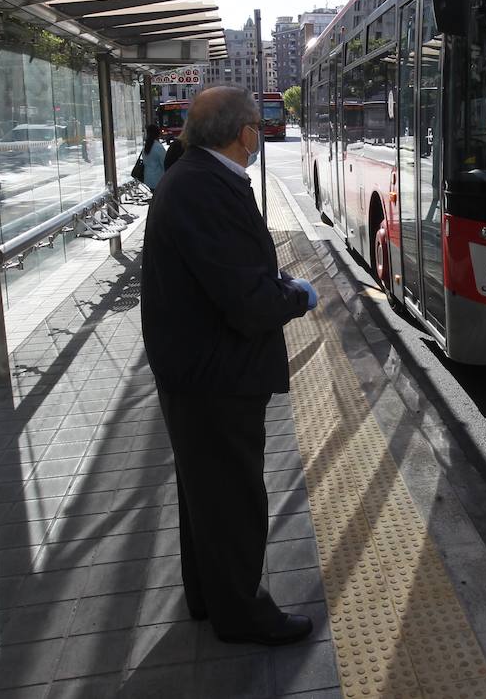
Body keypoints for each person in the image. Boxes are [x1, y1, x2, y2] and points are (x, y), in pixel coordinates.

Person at [140, 86, 318, 646]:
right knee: (235, 498)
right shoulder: (207, 190)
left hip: (194, 368)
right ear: (244, 134)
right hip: (216, 375)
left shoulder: (191, 177)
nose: (260, 137)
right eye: (257, 129)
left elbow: (224, 273)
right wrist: (297, 296)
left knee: (206, 494)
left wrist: (272, 284)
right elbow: (245, 299)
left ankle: (208, 598)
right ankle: (242, 615)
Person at [140, 124, 167, 190]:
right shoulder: (158, 147)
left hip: (148, 178)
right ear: (157, 134)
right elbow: (164, 163)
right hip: (158, 179)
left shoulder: (146, 147)